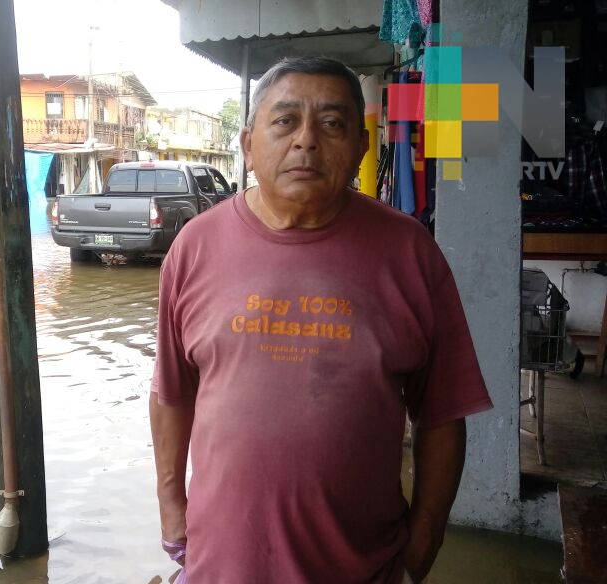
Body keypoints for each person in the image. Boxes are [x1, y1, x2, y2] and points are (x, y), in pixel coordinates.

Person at [149, 56, 493, 584]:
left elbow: (443, 413)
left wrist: (423, 543)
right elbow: (172, 392)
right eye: (285, 121)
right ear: (247, 144)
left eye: (332, 124)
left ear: (359, 146)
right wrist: (173, 512)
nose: (306, 140)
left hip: (364, 567)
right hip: (220, 565)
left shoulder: (409, 253)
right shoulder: (195, 246)